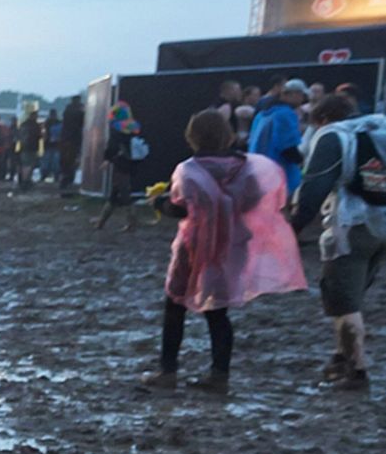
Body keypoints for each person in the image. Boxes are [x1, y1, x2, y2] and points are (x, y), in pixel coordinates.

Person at [144, 110, 305, 391]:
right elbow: (256, 199)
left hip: (194, 246)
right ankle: (220, 374)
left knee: (175, 304)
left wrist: (158, 203)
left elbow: (178, 207)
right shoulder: (246, 167)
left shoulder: (188, 170)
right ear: (226, 134)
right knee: (218, 311)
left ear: (193, 136)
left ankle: (167, 371)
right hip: (233, 245)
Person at [294, 92, 383, 391]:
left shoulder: (332, 137)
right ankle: (340, 358)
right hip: (381, 224)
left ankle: (356, 370)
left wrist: (293, 227)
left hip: (352, 224)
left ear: (320, 119)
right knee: (351, 296)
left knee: (342, 299)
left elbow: (314, 188)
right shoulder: (376, 128)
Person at [249, 77, 310, 193]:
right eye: (302, 95)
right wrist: (302, 161)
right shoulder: (285, 114)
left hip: (259, 173)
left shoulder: (262, 114)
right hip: (281, 175)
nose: (303, 100)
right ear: (293, 94)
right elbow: (288, 147)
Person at [96, 101, 148, 232]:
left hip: (120, 162)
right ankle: (100, 222)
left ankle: (132, 223)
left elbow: (112, 146)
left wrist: (107, 159)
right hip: (132, 163)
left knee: (124, 194)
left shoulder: (116, 127)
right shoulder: (134, 126)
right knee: (115, 193)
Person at [59, 96, 85, 196]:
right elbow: (82, 121)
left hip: (65, 140)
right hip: (74, 140)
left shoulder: (67, 111)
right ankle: (68, 183)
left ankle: (64, 183)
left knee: (66, 163)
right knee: (72, 163)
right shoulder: (78, 112)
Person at [16, 108, 44, 189]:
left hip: (23, 148)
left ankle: (25, 181)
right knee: (29, 165)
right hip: (32, 147)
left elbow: (19, 136)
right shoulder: (36, 125)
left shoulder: (23, 124)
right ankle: (26, 181)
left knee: (26, 165)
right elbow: (40, 137)